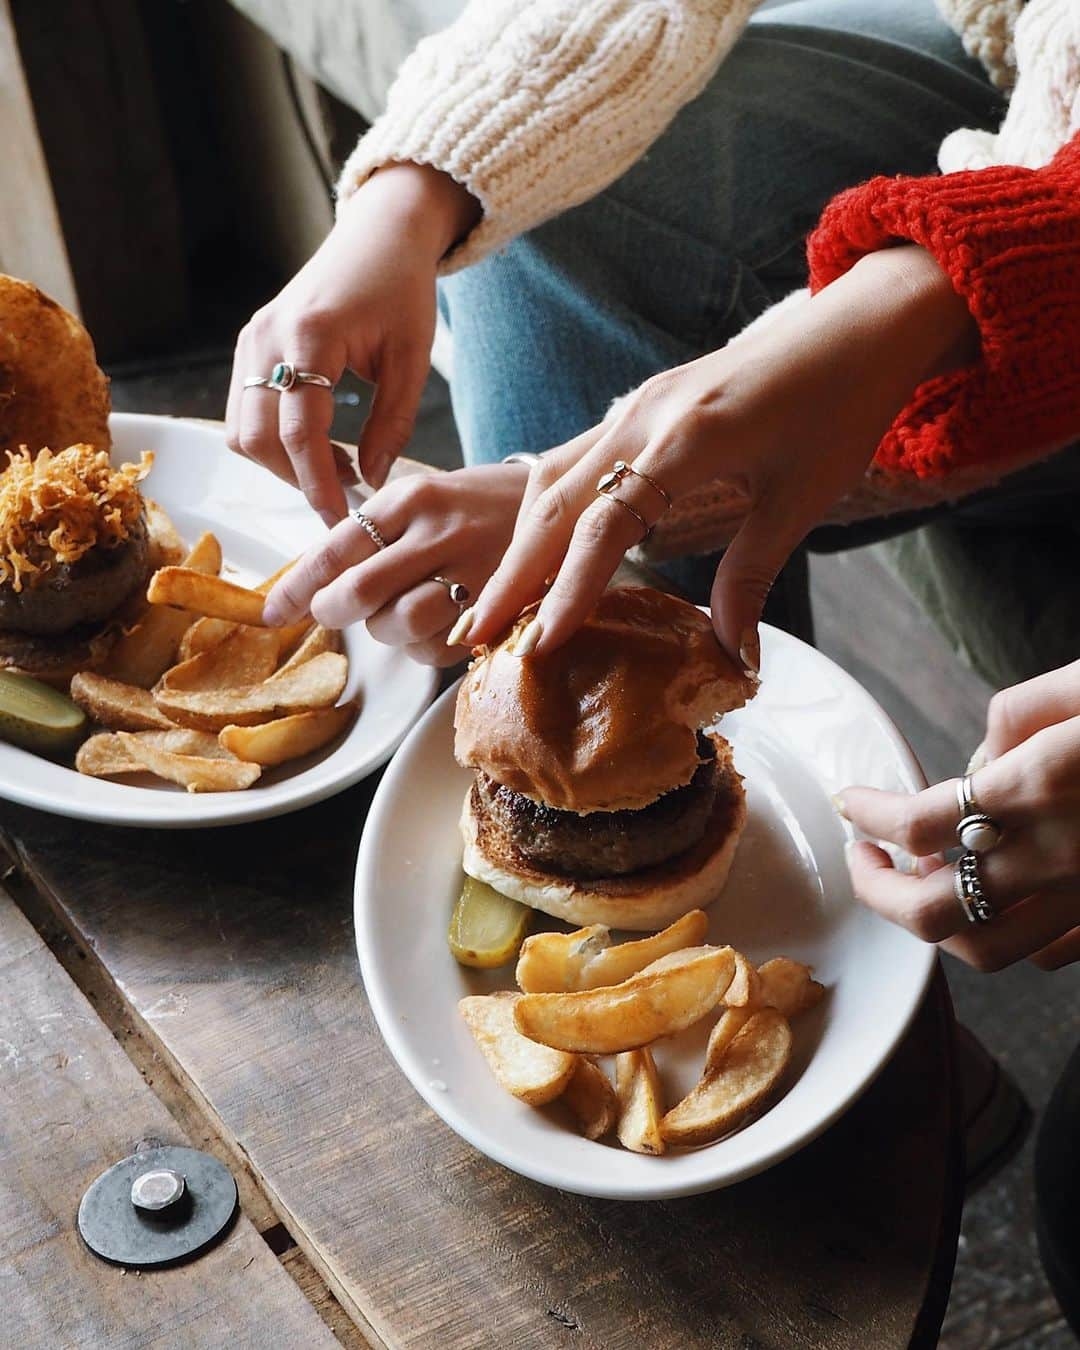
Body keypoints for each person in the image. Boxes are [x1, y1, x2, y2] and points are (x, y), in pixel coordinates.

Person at [229, 0, 1080, 1316]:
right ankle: (871, 1064)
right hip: (1043, 109)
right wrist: (410, 193)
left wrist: (923, 300)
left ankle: (853, 1071)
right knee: (548, 224)